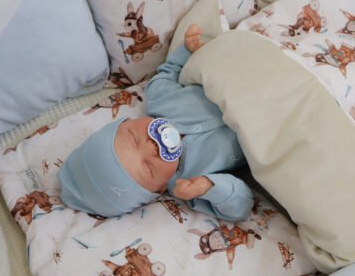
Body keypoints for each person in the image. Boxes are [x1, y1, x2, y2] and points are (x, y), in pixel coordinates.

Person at [59, 24, 253, 221]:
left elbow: (171, 68)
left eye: (134, 139)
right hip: (261, 125)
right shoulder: (188, 183)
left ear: (127, 121)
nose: (151, 147)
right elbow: (241, 206)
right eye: (148, 169)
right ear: (159, 189)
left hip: (241, 74)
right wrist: (207, 187)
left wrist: (187, 49)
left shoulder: (159, 96)